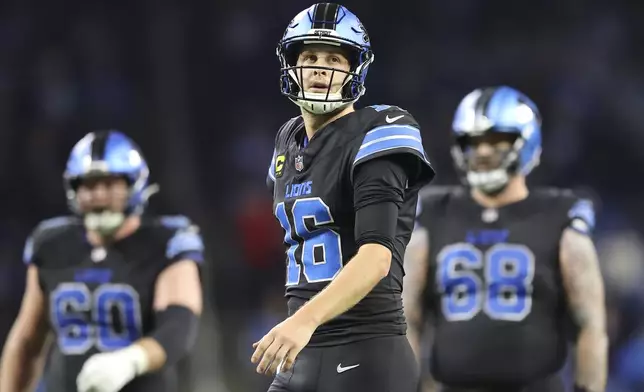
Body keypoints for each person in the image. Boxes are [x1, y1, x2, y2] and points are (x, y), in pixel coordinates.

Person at [250, 3, 435, 392]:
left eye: (334, 58)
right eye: (309, 56)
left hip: (365, 351)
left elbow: (375, 258)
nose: (319, 67)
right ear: (291, 66)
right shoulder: (288, 141)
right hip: (301, 351)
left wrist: (302, 319)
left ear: (355, 70)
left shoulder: (377, 131)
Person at [403, 86, 608, 392]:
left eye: (496, 141)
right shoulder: (432, 215)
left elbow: (590, 326)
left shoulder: (560, 217)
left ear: (525, 142)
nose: (483, 152)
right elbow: (406, 320)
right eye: (473, 142)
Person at [0, 130, 204, 392]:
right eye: (87, 185)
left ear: (133, 184)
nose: (97, 195)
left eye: (108, 184)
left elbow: (178, 327)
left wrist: (130, 361)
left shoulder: (166, 242)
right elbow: (27, 341)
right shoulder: (51, 244)